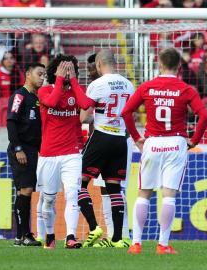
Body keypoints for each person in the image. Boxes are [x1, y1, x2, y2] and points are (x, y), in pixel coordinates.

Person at [122, 47, 207, 255]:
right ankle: (162, 244)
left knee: (144, 194)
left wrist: (136, 138)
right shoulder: (185, 88)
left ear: (159, 64)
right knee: (169, 195)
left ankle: (136, 244)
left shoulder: (147, 87)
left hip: (152, 143)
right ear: (179, 66)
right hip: (176, 144)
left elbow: (126, 112)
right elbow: (205, 116)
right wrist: (194, 140)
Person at [36, 54, 94, 249]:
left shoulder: (76, 92)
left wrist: (74, 80)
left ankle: (71, 237)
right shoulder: (45, 90)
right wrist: (61, 79)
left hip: (71, 153)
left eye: (71, 70)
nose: (67, 73)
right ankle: (50, 236)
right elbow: (52, 102)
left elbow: (86, 105)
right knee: (48, 199)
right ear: (55, 71)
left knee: (72, 194)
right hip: (49, 154)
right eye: (64, 69)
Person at [78, 49, 135, 248]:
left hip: (101, 136)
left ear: (100, 64)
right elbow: (130, 115)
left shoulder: (97, 84)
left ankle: (94, 227)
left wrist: (99, 117)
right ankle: (118, 239)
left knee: (78, 183)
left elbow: (83, 118)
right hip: (120, 140)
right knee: (114, 189)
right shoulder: (128, 84)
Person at [7, 63, 45, 246]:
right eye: (39, 74)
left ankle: (22, 236)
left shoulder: (35, 98)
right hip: (21, 149)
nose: (42, 78)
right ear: (28, 75)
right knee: (25, 191)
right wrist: (18, 149)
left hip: (32, 150)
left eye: (44, 75)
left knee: (26, 192)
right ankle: (22, 236)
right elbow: (11, 122)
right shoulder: (20, 96)